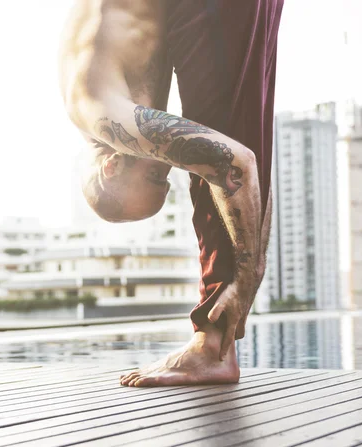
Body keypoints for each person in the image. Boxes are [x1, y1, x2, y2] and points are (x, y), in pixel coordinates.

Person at [59, 0, 283, 386]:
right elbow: (248, 169)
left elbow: (237, 165)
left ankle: (212, 348)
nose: (167, 172)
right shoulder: (101, 87)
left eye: (156, 179)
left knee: (210, 163)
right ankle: (213, 347)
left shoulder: (103, 113)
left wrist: (248, 274)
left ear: (112, 165)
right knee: (214, 153)